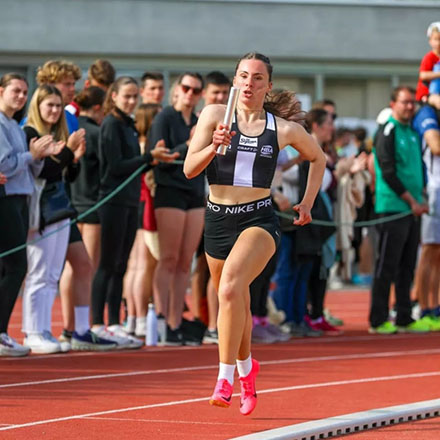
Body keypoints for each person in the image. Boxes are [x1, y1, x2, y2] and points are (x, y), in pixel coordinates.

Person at [184, 52, 325, 415]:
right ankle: (248, 371)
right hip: (217, 219)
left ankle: (224, 378)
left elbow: (318, 157)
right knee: (236, 303)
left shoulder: (283, 129)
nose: (249, 83)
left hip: (258, 220)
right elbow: (188, 169)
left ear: (268, 86)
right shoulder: (215, 115)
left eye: (257, 78)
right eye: (243, 76)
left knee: (230, 288)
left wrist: (307, 202)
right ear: (235, 82)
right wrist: (213, 145)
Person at [21, 85, 113, 353]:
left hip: (61, 207)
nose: (54, 110)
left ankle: (47, 330)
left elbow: (66, 175)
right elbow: (44, 172)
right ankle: (33, 331)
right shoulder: (29, 133)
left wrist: (73, 159)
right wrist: (67, 153)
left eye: (58, 106)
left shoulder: (57, 133)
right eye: (49, 105)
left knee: (52, 272)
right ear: (37, 106)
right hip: (40, 209)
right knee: (39, 271)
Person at [91, 76, 178, 347]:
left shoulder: (128, 125)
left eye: (133, 97)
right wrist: (148, 157)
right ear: (113, 96)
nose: (131, 101)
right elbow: (115, 166)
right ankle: (97, 322)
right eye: (125, 96)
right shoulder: (111, 125)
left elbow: (135, 166)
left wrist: (152, 160)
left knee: (120, 264)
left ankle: (115, 323)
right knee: (107, 264)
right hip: (113, 201)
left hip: (130, 202)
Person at [148, 72, 206, 345]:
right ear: (177, 90)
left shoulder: (198, 121)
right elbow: (162, 155)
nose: (190, 94)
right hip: (169, 189)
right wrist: (189, 142)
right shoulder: (164, 118)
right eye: (186, 88)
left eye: (196, 90)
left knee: (186, 261)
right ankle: (161, 319)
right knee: (168, 258)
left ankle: (175, 320)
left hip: (194, 192)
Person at [369, 86, 430, 335]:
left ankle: (404, 315)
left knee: (407, 265)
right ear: (393, 104)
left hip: (412, 209)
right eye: (404, 102)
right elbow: (387, 170)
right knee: (387, 265)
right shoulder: (388, 131)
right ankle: (378, 318)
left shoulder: (413, 133)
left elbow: (416, 171)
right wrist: (410, 200)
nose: (409, 107)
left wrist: (420, 198)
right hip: (392, 208)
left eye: (412, 103)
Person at [0, 73, 53, 357]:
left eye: (24, 92)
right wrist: (30, 156)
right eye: (15, 91)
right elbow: (5, 166)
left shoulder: (15, 126)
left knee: (11, 267)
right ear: (1, 91)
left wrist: (45, 154)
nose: (21, 96)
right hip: (7, 200)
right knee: (16, 266)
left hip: (21, 198)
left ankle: (2, 331)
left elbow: (24, 164)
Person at [123, 103, 161, 337]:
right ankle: (139, 319)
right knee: (144, 266)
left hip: (136, 204)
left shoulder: (135, 144)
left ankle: (132, 318)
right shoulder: (149, 148)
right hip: (146, 205)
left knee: (134, 266)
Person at [412, 102, 440, 330]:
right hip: (434, 189)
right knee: (429, 250)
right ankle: (423, 307)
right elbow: (435, 145)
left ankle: (435, 305)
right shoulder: (427, 113)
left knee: (438, 253)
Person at [416, 22, 440, 108]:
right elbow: (423, 75)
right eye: (436, 39)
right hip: (427, 94)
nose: (439, 43)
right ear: (430, 41)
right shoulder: (429, 57)